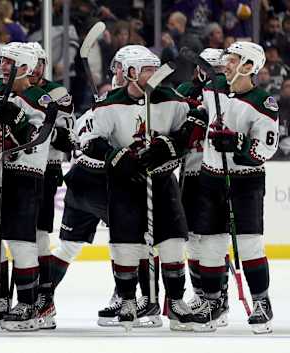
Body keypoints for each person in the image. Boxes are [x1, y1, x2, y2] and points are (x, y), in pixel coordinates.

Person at [80, 45, 195, 331]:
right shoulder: (109, 104)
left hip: (163, 181)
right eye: (147, 70)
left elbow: (188, 133)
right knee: (126, 245)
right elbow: (91, 141)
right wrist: (118, 157)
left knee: (171, 243)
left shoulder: (173, 100)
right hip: (125, 184)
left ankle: (176, 300)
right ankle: (129, 299)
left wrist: (166, 147)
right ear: (130, 73)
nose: (154, 74)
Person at [194, 41, 278, 334]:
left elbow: (266, 149)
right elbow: (194, 105)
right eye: (227, 59)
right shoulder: (213, 86)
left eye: (232, 59)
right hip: (210, 176)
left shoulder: (263, 103)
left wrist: (238, 143)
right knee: (211, 245)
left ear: (249, 66)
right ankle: (214, 303)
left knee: (249, 243)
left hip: (245, 181)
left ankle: (261, 303)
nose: (226, 63)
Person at [0, 42, 54, 331]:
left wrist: (17, 121)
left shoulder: (41, 99)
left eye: (9, 62)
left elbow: (37, 138)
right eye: (2, 61)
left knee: (21, 242)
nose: (3, 66)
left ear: (24, 66)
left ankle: (29, 305)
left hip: (26, 176)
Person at [176, 48, 230, 327]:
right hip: (190, 171)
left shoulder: (227, 93)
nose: (215, 73)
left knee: (214, 239)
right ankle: (202, 295)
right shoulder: (186, 89)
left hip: (215, 172)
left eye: (220, 68)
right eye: (212, 68)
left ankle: (219, 297)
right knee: (193, 239)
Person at [23, 42, 75, 330]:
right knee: (19, 237)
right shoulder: (14, 88)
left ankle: (43, 297)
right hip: (17, 170)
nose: (37, 68)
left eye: (40, 62)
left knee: (39, 235)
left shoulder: (57, 93)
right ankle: (18, 297)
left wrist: (56, 135)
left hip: (48, 168)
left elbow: (68, 135)